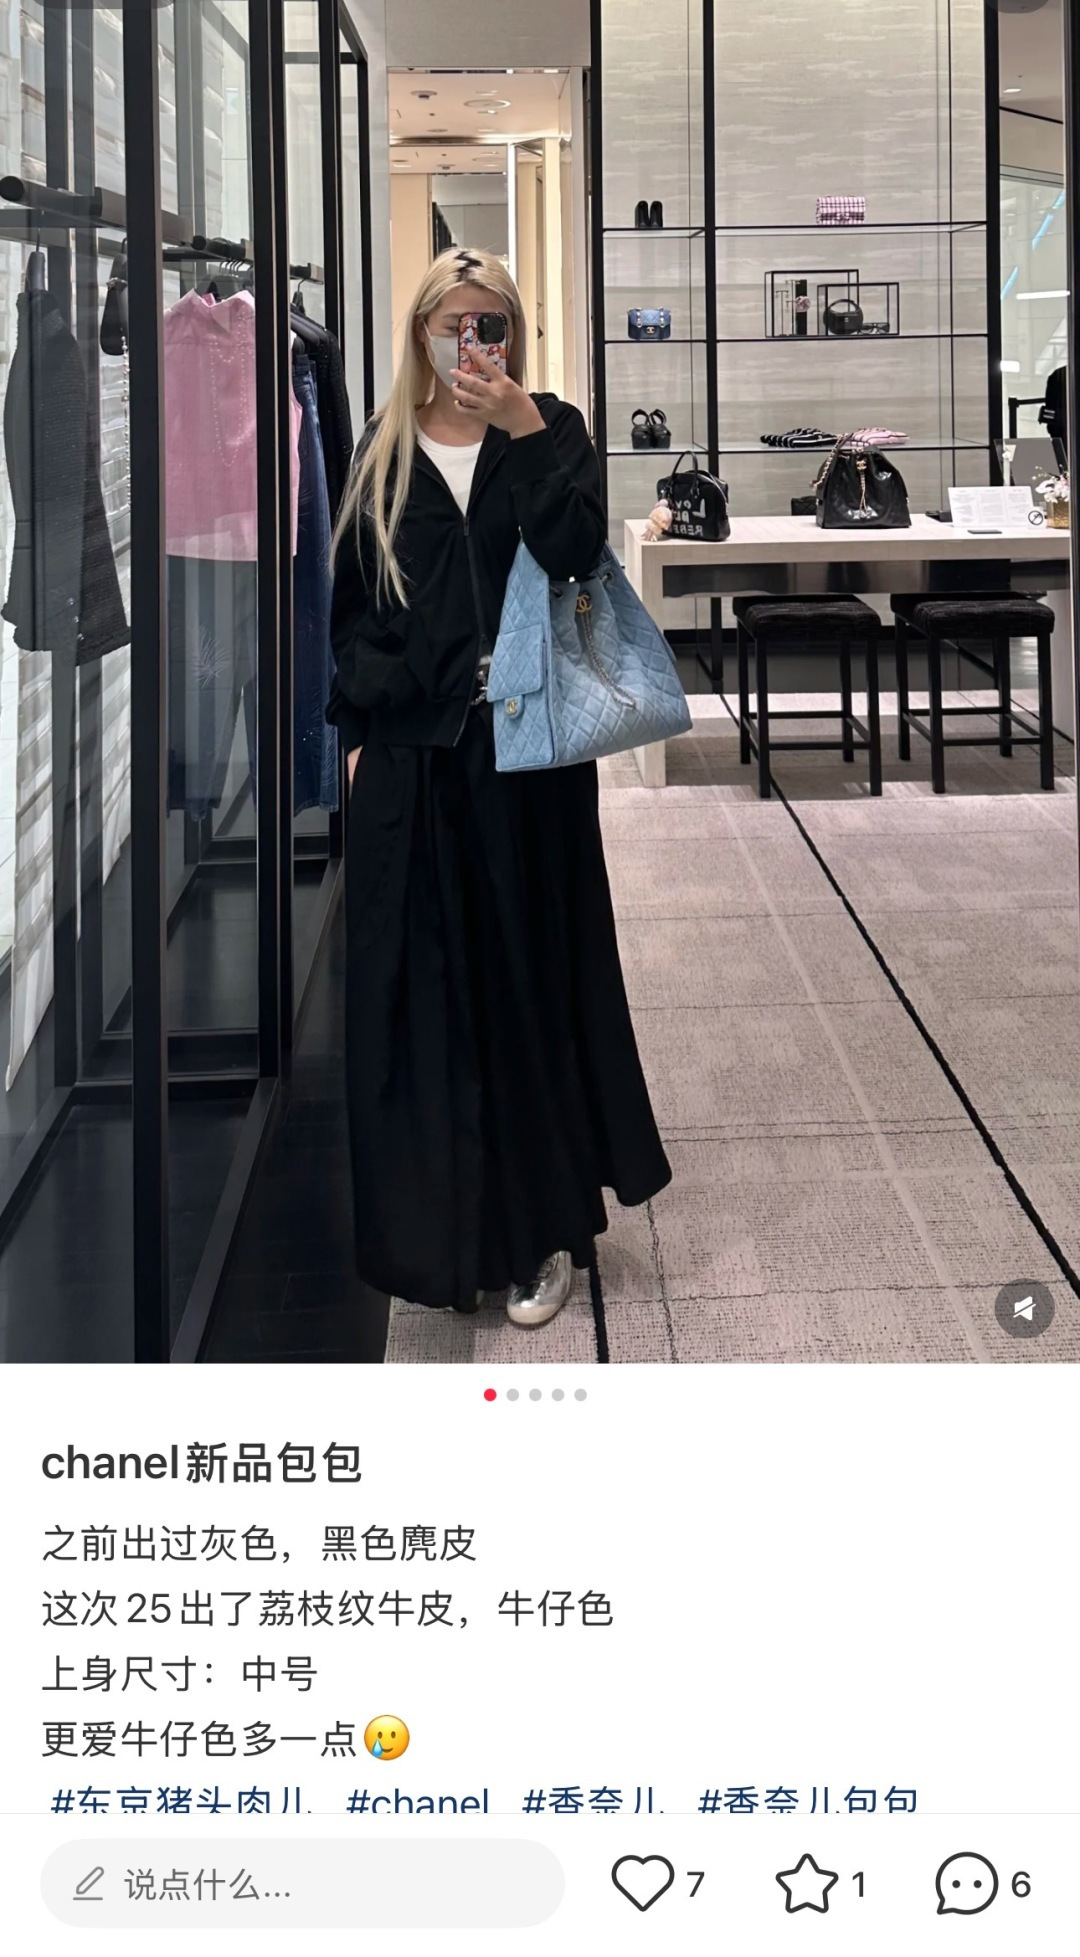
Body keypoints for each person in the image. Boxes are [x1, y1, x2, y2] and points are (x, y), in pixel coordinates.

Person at [328, 246, 670, 1328]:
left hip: (527, 759)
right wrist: (360, 734)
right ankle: (443, 1237)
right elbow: (351, 609)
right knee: (421, 997)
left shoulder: (553, 429)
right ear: (422, 332)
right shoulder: (383, 447)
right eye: (456, 325)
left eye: (495, 325)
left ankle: (540, 1232)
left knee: (531, 984)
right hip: (413, 755)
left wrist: (521, 428)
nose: (475, 344)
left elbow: (574, 556)